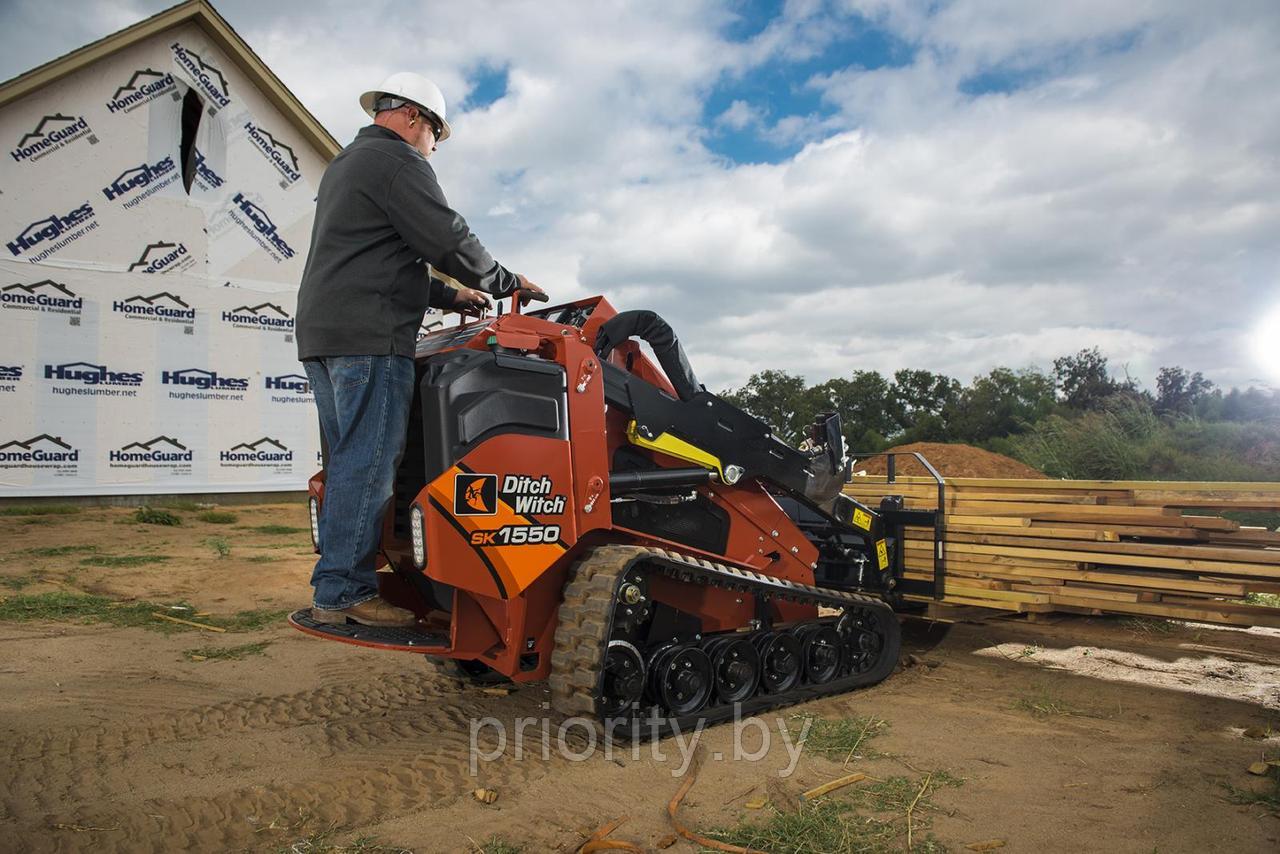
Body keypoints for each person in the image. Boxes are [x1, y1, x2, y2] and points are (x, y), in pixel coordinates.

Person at [295, 72, 544, 628]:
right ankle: (342, 594)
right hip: (370, 340)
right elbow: (446, 235)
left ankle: (341, 582)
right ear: (413, 118)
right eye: (436, 134)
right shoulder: (399, 163)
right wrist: (507, 282)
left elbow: (374, 257)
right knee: (369, 466)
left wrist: (449, 293)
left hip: (325, 336)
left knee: (345, 464)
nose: (435, 147)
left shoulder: (346, 165)